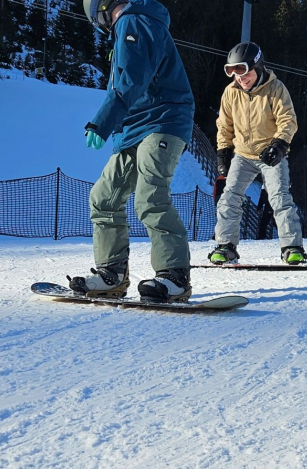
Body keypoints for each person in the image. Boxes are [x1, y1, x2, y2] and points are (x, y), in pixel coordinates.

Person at [68, 0, 196, 302]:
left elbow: (132, 79)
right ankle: (111, 274)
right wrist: (120, 129)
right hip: (136, 127)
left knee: (150, 196)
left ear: (99, 11)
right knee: (104, 197)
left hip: (163, 120)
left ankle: (174, 276)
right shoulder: (132, 24)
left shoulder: (133, 21)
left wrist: (102, 122)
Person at [210, 42, 306, 265]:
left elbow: (288, 120)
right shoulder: (230, 93)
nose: (240, 78)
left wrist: (279, 145)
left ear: (258, 66)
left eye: (243, 71)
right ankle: (226, 246)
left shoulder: (276, 89)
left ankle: (292, 247)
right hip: (242, 155)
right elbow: (224, 126)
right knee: (229, 197)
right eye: (232, 72)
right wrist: (223, 154)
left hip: (271, 154)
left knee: (279, 198)